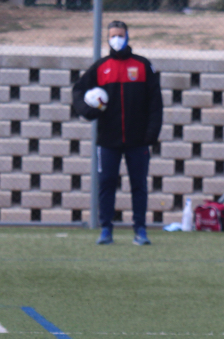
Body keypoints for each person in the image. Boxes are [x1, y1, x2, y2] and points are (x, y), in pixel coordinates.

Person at [72, 20, 164, 246]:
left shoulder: (143, 66)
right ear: (108, 39)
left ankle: (140, 230)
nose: (117, 39)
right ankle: (106, 230)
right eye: (113, 35)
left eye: (120, 35)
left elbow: (156, 104)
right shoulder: (101, 67)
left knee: (139, 185)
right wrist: (89, 112)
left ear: (127, 36)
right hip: (108, 140)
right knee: (106, 183)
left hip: (138, 140)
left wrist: (151, 134)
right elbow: (78, 91)